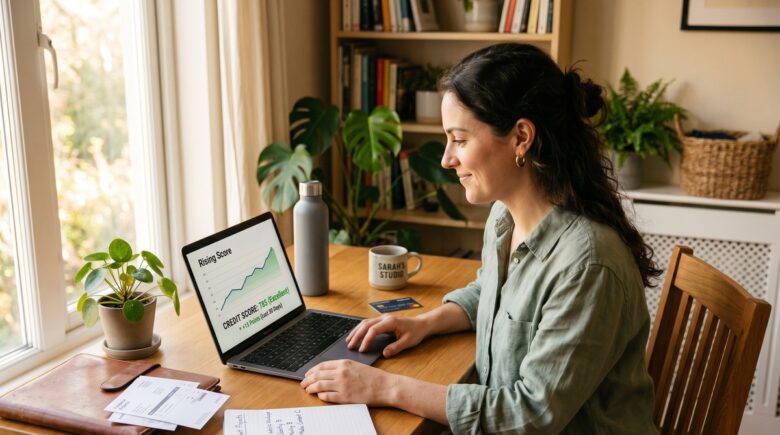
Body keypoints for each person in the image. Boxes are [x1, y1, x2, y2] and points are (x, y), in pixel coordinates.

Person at [300, 43, 660, 434]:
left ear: (521, 137)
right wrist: (423, 323)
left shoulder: (588, 265)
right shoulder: (505, 216)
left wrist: (384, 386)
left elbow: (530, 415)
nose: (446, 159)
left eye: (460, 139)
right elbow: (493, 290)